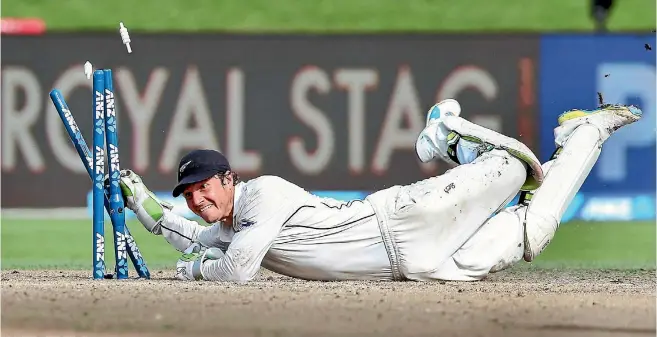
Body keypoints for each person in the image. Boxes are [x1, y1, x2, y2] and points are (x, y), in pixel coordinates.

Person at [117, 99, 641, 282]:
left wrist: (192, 270)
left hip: (404, 218)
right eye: (187, 195)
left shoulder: (262, 198)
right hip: (418, 268)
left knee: (513, 165)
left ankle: (446, 135)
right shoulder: (235, 223)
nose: (196, 200)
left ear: (228, 178)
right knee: (532, 231)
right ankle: (587, 133)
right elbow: (203, 239)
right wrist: (152, 213)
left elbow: (233, 271)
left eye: (203, 188)